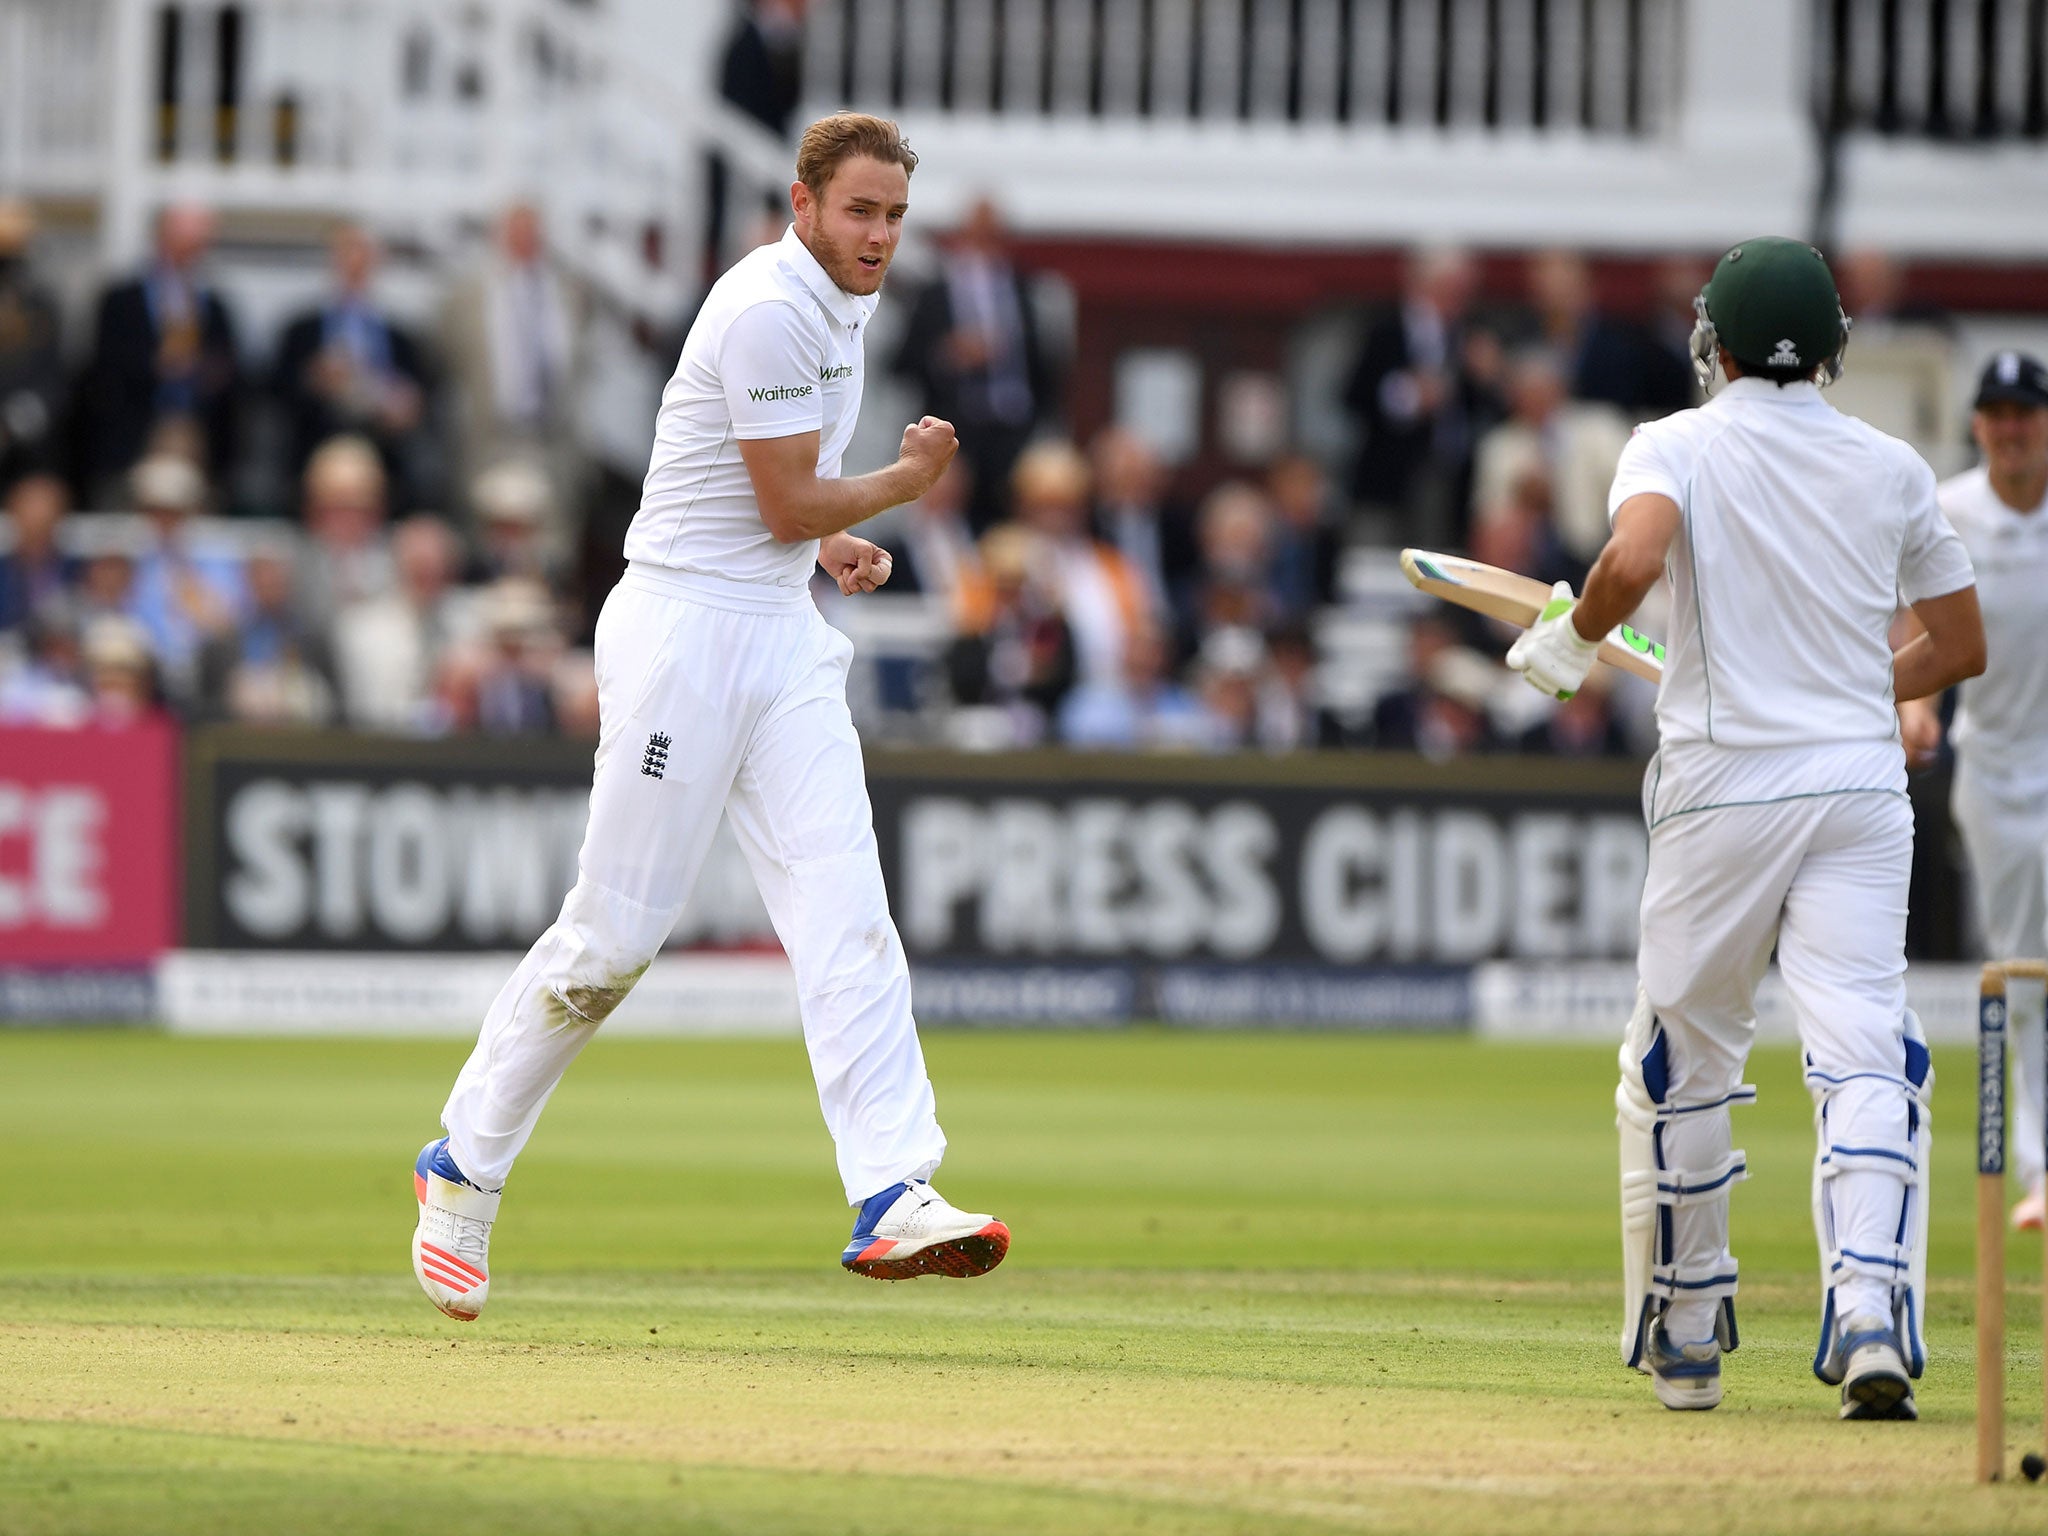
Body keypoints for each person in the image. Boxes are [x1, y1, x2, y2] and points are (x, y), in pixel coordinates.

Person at [412, 113, 1009, 1322]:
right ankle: (461, 1171)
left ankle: (893, 1189)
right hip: (682, 635)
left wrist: (829, 538)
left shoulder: (839, 299)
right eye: (858, 211)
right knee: (611, 944)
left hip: (777, 629)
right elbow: (782, 490)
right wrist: (896, 487)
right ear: (801, 203)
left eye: (894, 215)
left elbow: (749, 483)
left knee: (845, 912)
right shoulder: (766, 306)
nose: (879, 237)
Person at [1505, 238, 1983, 1419]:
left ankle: (1685, 1326)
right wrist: (1859, 695)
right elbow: (1958, 646)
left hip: (1722, 781)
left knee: (1679, 1053)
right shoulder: (1889, 463)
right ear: (1830, 349)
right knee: (1866, 1047)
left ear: (1709, 345)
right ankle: (1869, 1306)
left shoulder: (1674, 439)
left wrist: (1568, 644)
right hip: (1860, 789)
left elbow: (1631, 557)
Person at [1898, 350, 2048, 1229]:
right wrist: (1916, 707)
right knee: (2024, 972)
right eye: (1997, 412)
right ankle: (2039, 1167)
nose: (2012, 427)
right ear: (1978, 424)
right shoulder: (1949, 509)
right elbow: (1918, 632)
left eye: (2025, 410)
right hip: (1993, 771)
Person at [890, 197, 1057, 532]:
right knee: (953, 521)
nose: (985, 246)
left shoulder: (1023, 288)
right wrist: (949, 355)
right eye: (979, 235)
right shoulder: (934, 294)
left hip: (1014, 429)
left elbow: (1045, 363)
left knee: (1015, 522)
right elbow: (900, 363)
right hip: (956, 428)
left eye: (993, 235)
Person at [83, 205, 241, 497]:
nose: (190, 252)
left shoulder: (214, 305)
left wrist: (207, 371)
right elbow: (103, 365)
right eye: (184, 241)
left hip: (195, 430)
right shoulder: (121, 300)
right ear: (161, 239)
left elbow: (230, 367)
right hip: (134, 432)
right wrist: (155, 364)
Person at [274, 223, 435, 503]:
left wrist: (405, 408)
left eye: (364, 256)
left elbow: (422, 397)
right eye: (348, 255)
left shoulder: (401, 339)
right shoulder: (301, 330)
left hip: (382, 453)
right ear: (334, 261)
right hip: (317, 449)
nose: (355, 265)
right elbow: (276, 389)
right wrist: (314, 380)